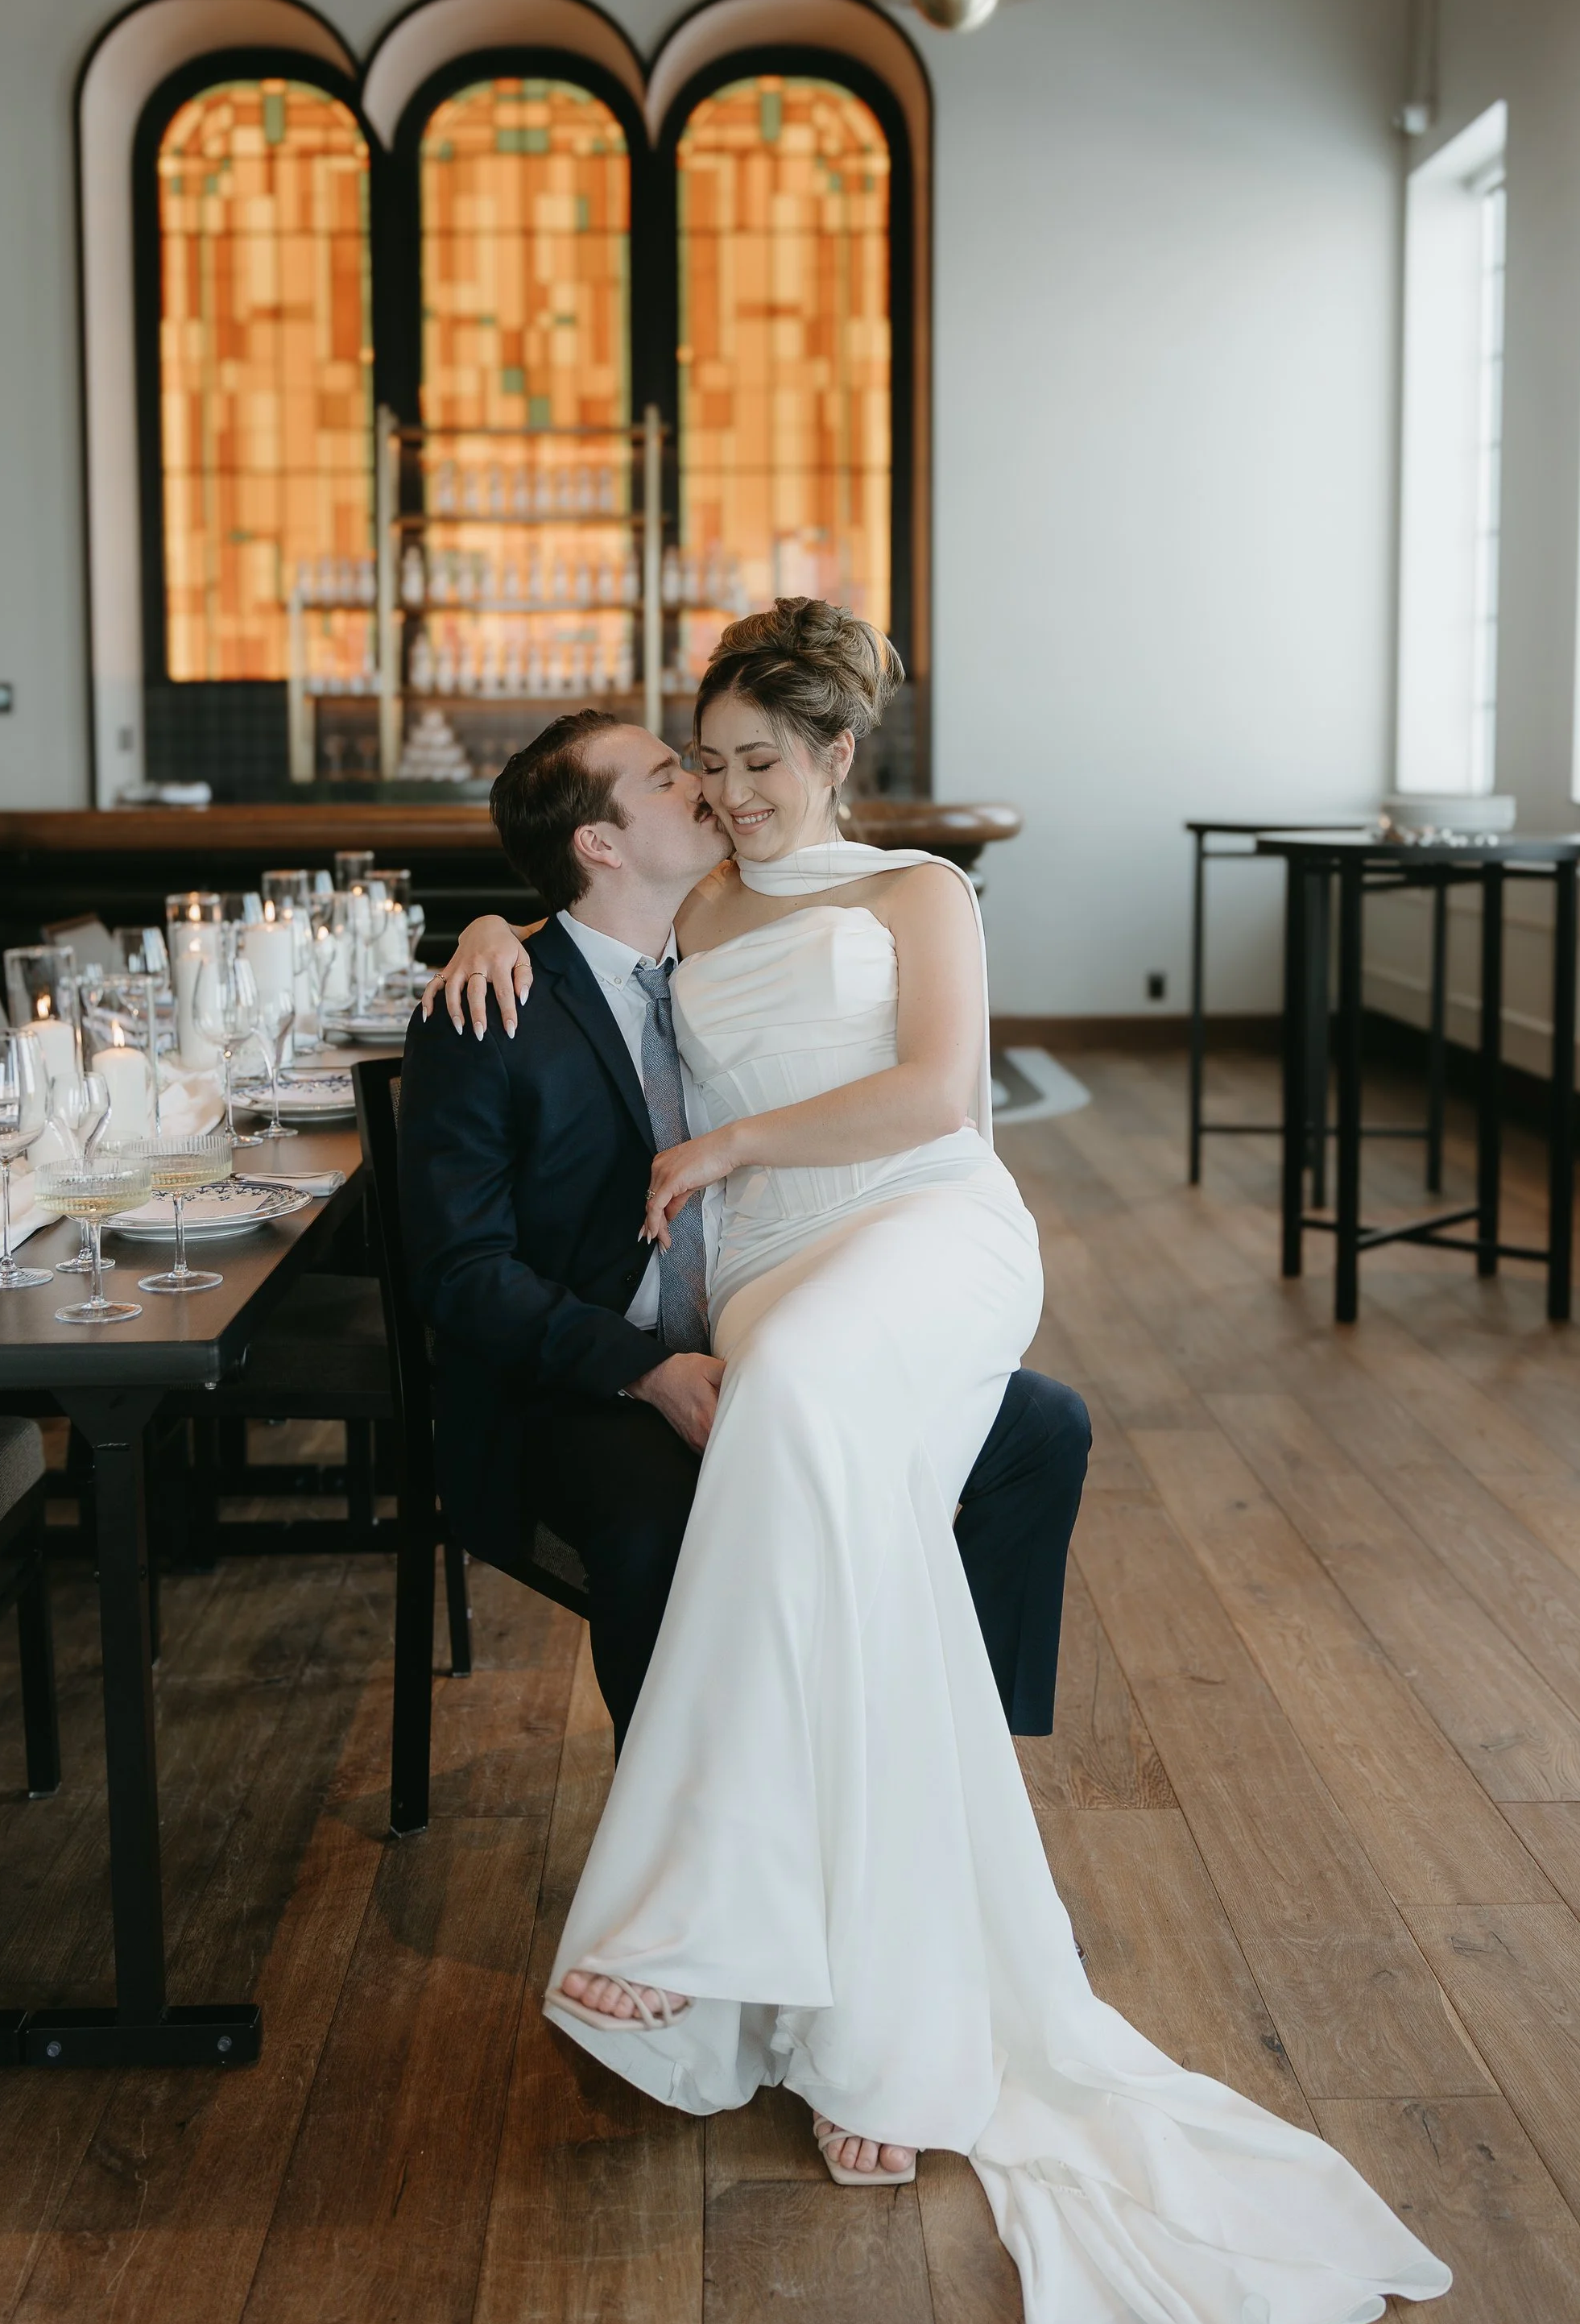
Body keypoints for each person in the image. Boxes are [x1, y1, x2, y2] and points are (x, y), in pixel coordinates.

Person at [412, 599, 1451, 2324]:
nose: (727, 795)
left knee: (797, 1406)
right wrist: (491, 917)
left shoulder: (917, 894)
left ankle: (682, 1904)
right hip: (760, 1270)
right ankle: (869, 2027)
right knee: (834, 1505)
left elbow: (939, 1093)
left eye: (754, 764)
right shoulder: (689, 907)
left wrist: (721, 1142)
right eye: (701, 767)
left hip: (920, 1233)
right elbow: (591, 948)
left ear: (832, 757)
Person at [401, 711, 1092, 1752]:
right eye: (673, 774)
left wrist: (490, 914)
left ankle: (957, 1771)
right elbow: (461, 1275)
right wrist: (645, 1371)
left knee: (1043, 1429)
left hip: (758, 1326)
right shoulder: (490, 1008)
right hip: (574, 1385)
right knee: (661, 1517)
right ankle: (684, 1808)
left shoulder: (703, 954)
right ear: (601, 842)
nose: (708, 788)